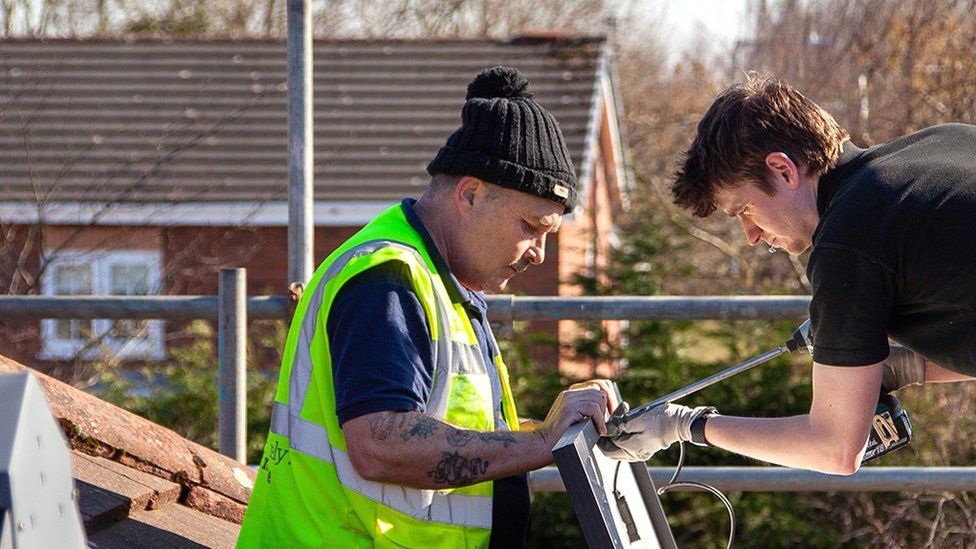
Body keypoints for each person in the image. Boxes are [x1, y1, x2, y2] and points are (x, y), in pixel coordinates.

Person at [237, 66, 617, 548]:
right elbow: (381, 444)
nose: (539, 253)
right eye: (530, 226)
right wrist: (541, 444)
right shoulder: (388, 279)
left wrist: (551, 430)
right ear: (471, 195)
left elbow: (451, 429)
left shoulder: (438, 282)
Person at [603, 74, 976, 474]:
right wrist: (910, 366)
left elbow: (834, 449)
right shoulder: (947, 142)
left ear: (783, 170)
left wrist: (684, 426)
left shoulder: (849, 242)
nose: (750, 236)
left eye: (744, 209)